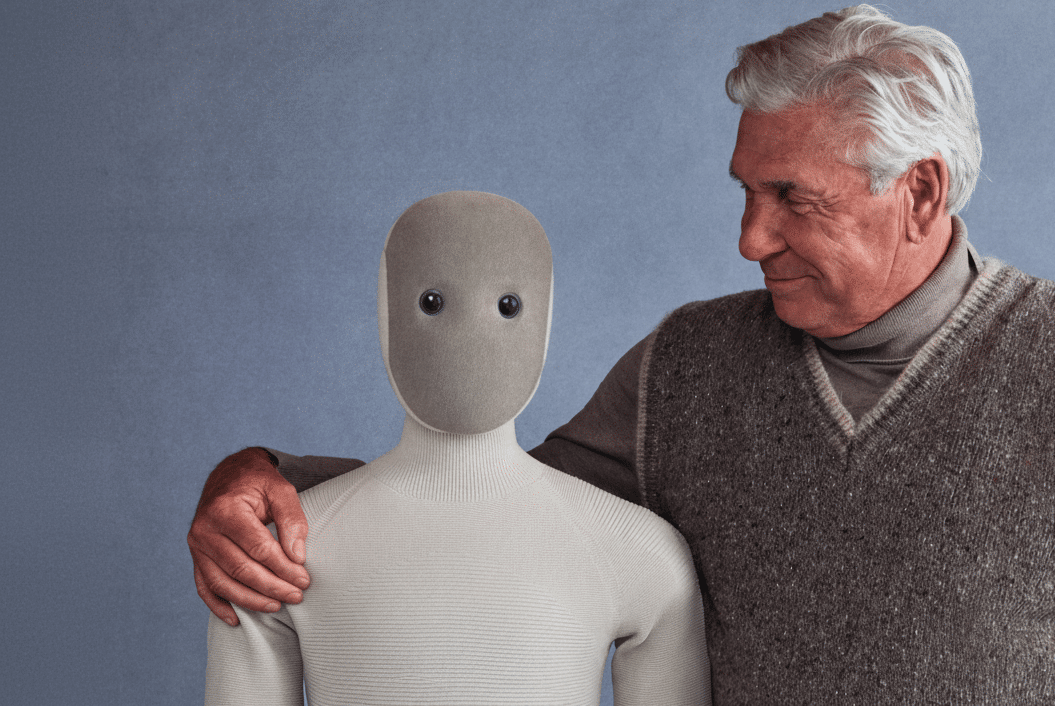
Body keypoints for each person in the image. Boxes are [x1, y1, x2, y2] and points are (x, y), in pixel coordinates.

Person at [190, 5, 1055, 704]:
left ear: (919, 192)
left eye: (793, 199)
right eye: (745, 191)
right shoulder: (686, 368)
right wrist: (263, 480)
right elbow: (498, 510)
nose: (750, 238)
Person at [204, 191, 709, 705]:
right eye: (432, 303)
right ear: (387, 305)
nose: (470, 328)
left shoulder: (643, 554)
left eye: (507, 307)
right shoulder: (262, 558)